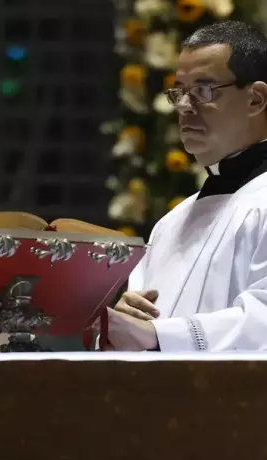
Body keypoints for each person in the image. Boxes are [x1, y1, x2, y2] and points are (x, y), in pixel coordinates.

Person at [106, 21, 267, 352]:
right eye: (179, 91)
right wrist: (127, 318)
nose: (183, 106)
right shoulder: (170, 223)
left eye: (204, 90)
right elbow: (142, 326)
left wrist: (159, 336)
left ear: (255, 99)